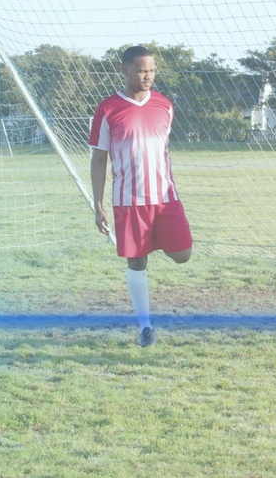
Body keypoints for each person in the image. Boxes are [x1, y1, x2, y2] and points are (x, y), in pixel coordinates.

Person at [89, 45, 192, 347]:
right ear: (125, 70)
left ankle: (155, 240)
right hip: (129, 200)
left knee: (183, 254)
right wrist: (98, 204)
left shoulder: (164, 105)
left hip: (165, 198)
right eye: (142, 70)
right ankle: (146, 328)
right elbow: (99, 159)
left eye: (152, 70)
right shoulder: (108, 109)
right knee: (137, 263)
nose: (148, 76)